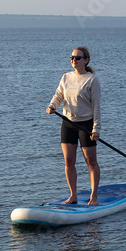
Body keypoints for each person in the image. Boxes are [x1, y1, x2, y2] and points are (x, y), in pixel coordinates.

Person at [46, 46, 101, 205]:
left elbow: (96, 106)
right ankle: (73, 196)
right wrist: (52, 106)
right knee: (68, 162)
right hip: (68, 123)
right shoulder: (65, 77)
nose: (74, 60)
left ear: (86, 60)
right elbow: (58, 95)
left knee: (91, 162)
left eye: (77, 58)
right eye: (72, 57)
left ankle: (94, 196)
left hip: (86, 124)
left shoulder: (92, 80)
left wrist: (96, 129)